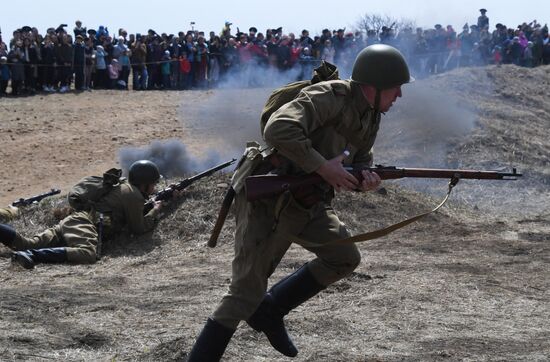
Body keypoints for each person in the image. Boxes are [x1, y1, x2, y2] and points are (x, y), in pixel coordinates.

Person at [186, 44, 414, 361]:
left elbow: (356, 165)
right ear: (373, 86)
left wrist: (365, 182)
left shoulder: (371, 115)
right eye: (396, 88)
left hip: (307, 201)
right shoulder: (329, 96)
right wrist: (322, 166)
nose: (399, 96)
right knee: (243, 293)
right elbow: (278, 128)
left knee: (344, 256)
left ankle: (269, 310)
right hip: (267, 199)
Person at [0, 160, 163, 269]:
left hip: (74, 221)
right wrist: (155, 210)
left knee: (25, 243)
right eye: (154, 183)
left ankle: (27, 251)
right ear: (145, 183)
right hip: (84, 224)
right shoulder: (133, 195)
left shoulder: (125, 187)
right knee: (87, 254)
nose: (155, 187)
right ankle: (31, 256)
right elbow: (139, 228)